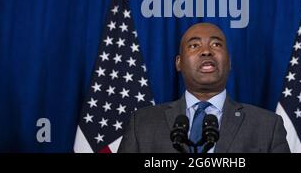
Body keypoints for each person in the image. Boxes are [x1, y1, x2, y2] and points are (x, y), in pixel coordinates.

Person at [118, 22, 290, 153]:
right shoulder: (141, 124)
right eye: (194, 45)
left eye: (216, 44)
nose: (206, 51)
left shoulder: (267, 125)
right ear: (179, 63)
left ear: (229, 62)